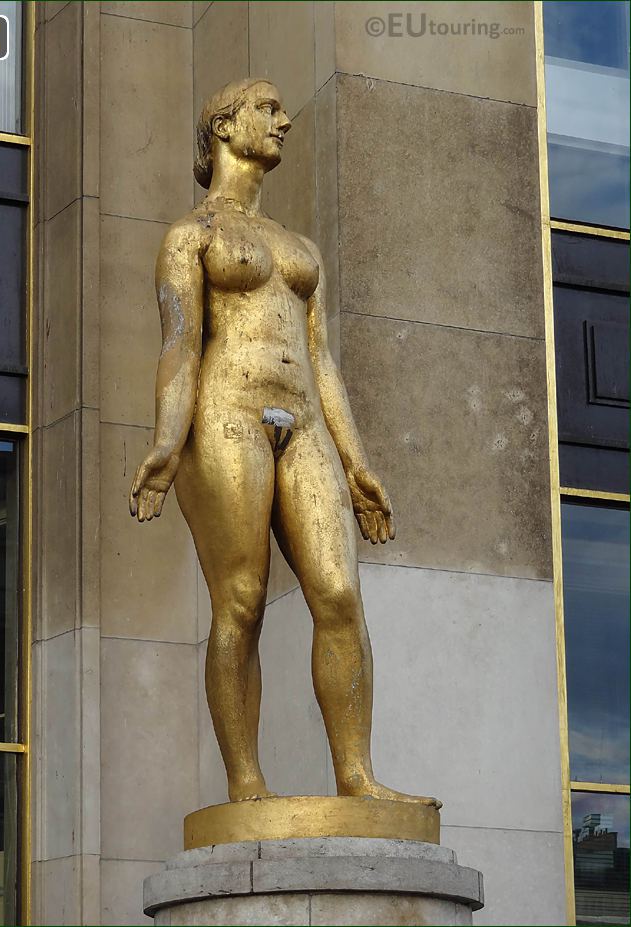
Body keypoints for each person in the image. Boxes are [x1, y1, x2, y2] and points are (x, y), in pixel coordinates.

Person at [130, 78, 437, 808]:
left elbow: (322, 357)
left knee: (337, 593)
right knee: (240, 598)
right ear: (224, 123)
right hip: (223, 416)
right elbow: (180, 342)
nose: (284, 121)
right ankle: (245, 782)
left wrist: (358, 461)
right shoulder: (191, 234)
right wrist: (167, 442)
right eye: (267, 109)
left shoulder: (300, 249)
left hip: (303, 422)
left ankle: (355, 776)